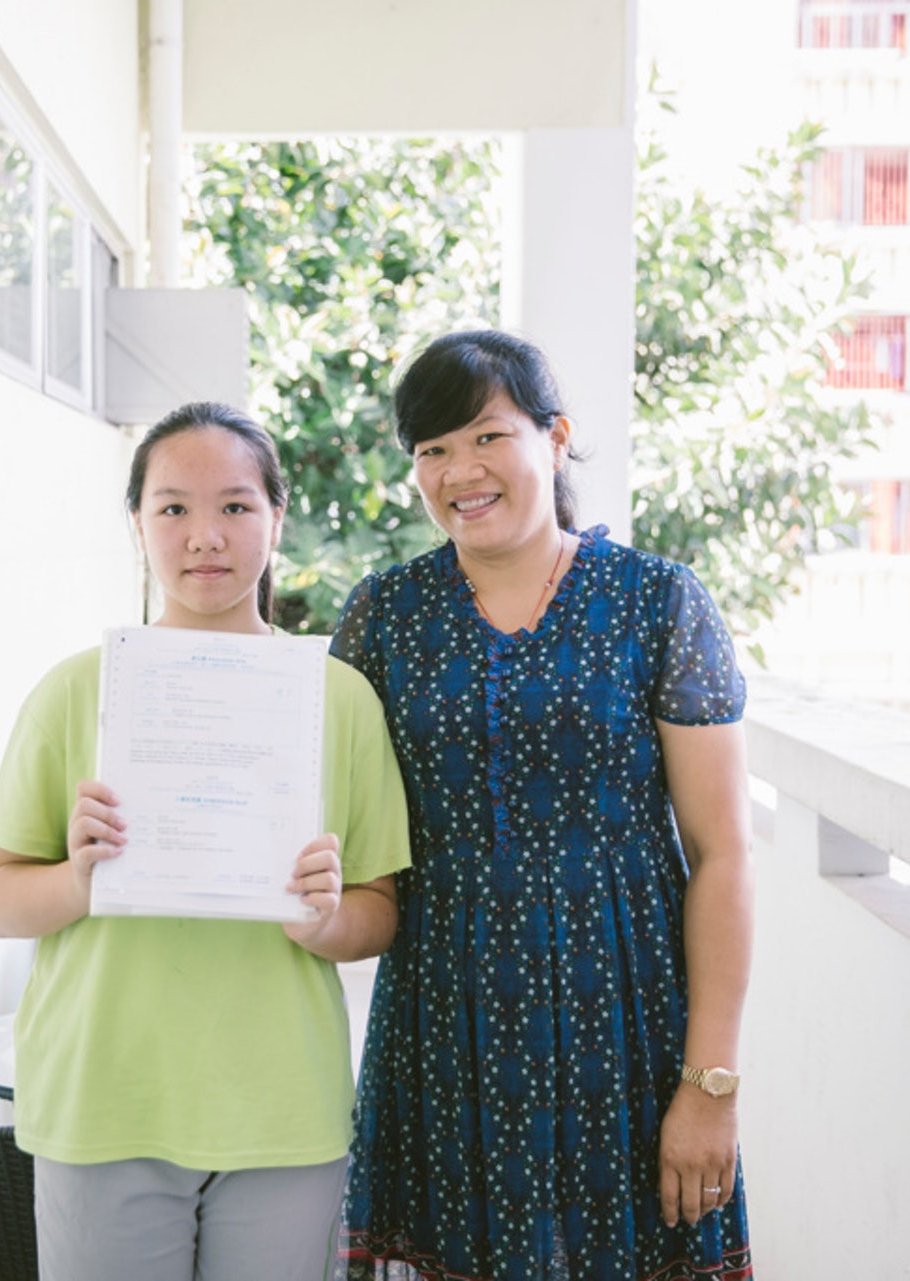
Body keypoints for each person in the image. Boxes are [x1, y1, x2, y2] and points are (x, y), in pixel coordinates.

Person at [332, 331, 754, 1280]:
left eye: (486, 436)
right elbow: (323, 807)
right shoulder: (383, 616)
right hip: (445, 1037)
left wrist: (710, 1083)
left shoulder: (659, 602)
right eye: (431, 450)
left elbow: (723, 852)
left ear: (555, 437)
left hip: (630, 1037)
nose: (458, 471)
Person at [0, 401, 411, 1281]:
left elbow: (379, 911)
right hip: (105, 1096)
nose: (204, 536)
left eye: (236, 506)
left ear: (277, 518)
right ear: (136, 524)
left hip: (281, 1106)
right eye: (173, 507)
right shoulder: (75, 692)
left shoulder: (340, 699)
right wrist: (78, 875)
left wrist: (322, 920)